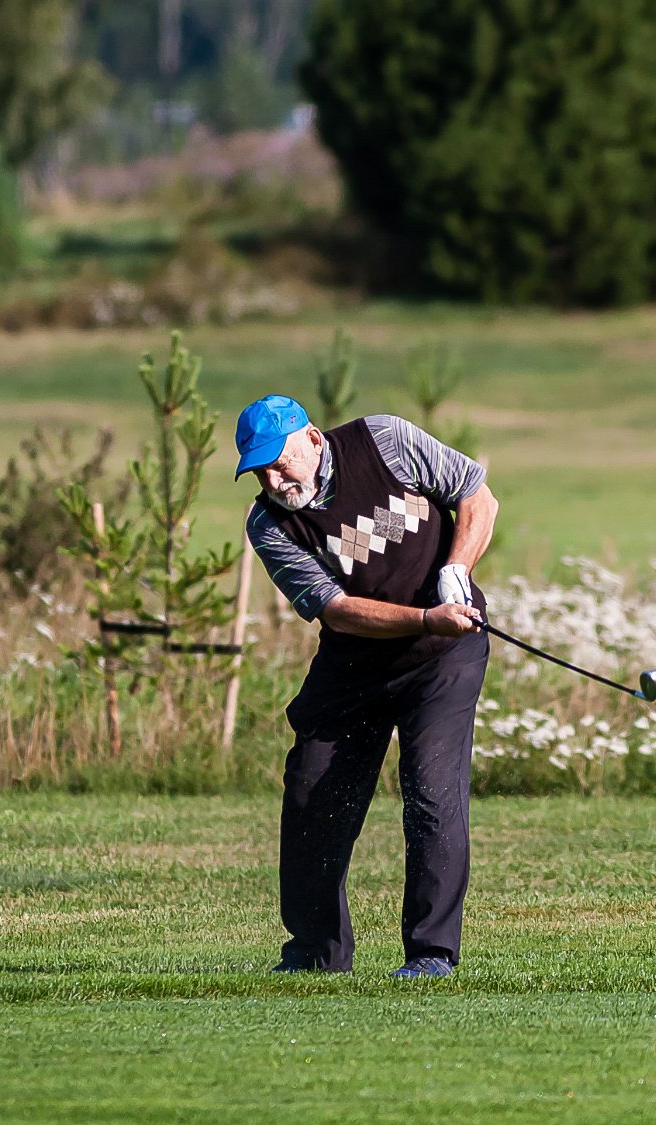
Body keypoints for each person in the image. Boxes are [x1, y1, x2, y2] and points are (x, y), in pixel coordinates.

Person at [234, 394, 497, 979]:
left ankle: (431, 954)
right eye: (260, 471)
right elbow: (340, 611)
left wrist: (456, 571)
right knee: (312, 794)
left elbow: (477, 497)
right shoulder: (268, 525)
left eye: (279, 462)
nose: (274, 480)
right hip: (356, 664)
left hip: (444, 656)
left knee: (431, 792)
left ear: (311, 438)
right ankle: (315, 953)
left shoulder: (386, 440)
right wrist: (425, 617)